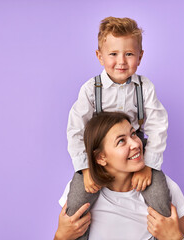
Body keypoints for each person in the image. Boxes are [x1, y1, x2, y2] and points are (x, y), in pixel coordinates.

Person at [65, 17, 170, 239]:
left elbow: (158, 126)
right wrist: (85, 168)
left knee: (161, 196)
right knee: (75, 206)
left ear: (140, 56)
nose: (121, 61)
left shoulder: (144, 87)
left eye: (129, 54)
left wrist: (148, 165)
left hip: (137, 153)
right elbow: (75, 130)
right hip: (100, 156)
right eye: (113, 54)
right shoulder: (91, 90)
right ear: (100, 56)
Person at [55, 112, 184, 240]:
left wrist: (175, 238)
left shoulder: (167, 188)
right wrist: (61, 236)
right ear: (101, 157)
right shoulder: (79, 193)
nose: (135, 144)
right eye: (121, 141)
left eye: (133, 134)